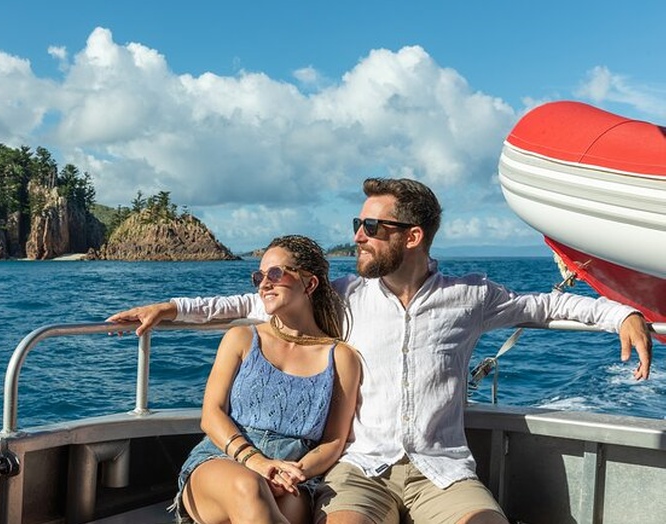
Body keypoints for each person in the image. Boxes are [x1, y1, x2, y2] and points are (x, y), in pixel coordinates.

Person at [109, 178, 653, 524]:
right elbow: (252, 303)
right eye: (358, 225)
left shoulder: (471, 296)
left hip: (442, 470)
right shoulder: (345, 296)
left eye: (371, 226)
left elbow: (544, 307)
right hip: (359, 468)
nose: (359, 236)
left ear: (411, 237)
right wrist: (172, 306)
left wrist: (621, 314)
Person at [163, 235, 362, 524]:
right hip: (224, 459)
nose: (264, 283)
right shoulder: (241, 338)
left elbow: (333, 440)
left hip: (293, 474)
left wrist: (296, 471)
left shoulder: (341, 357)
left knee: (281, 508)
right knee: (250, 487)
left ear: (310, 283)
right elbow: (211, 414)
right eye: (259, 276)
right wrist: (258, 464)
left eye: (276, 273)